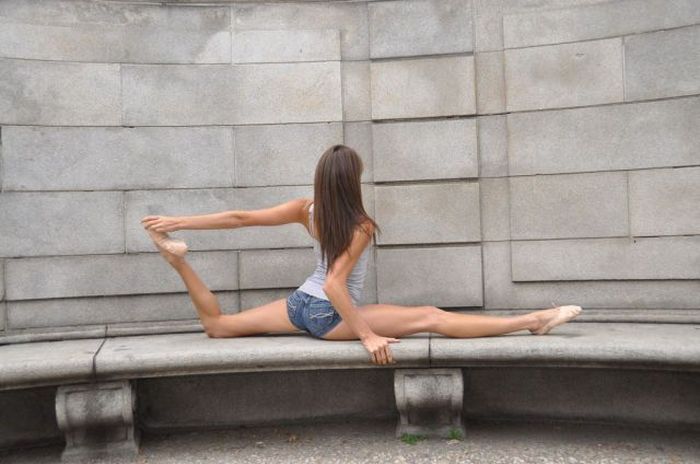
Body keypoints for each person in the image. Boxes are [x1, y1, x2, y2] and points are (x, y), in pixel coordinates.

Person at [141, 144, 582, 366]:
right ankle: (531, 321)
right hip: (330, 314)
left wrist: (178, 223)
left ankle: (179, 261)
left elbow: (240, 218)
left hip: (300, 305)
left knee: (218, 327)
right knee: (430, 316)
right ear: (354, 180)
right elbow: (335, 285)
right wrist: (367, 335)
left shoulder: (304, 209)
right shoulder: (361, 226)